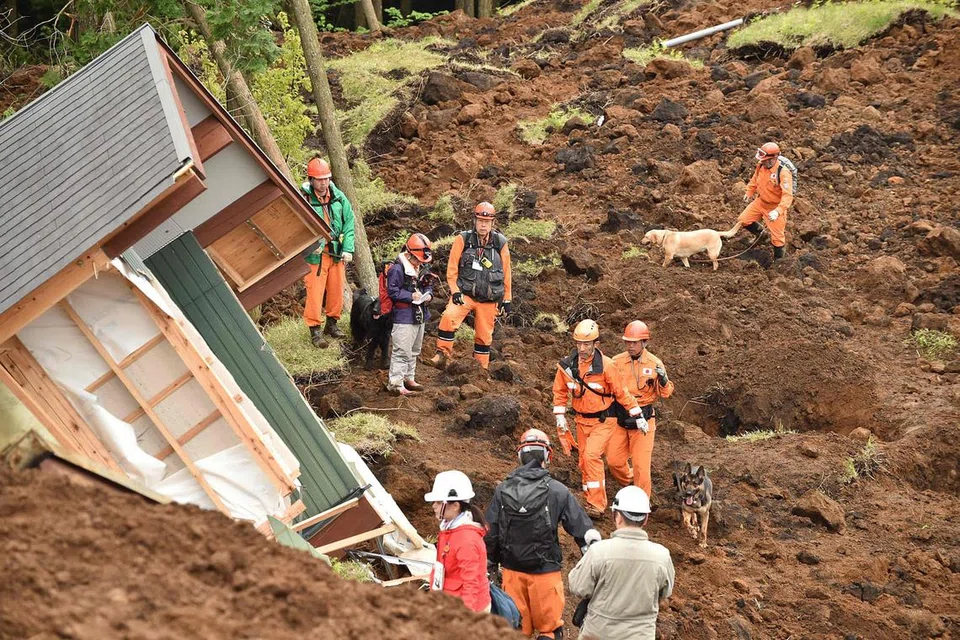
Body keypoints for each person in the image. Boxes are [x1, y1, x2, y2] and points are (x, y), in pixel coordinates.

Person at [485, 429, 602, 640]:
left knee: (515, 630)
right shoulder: (557, 490)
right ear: (547, 456)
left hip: (512, 574)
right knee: (550, 630)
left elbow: (491, 533)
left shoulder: (502, 490)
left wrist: (491, 563)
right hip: (545, 574)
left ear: (520, 455)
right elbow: (584, 532)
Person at [552, 319, 642, 517]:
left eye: (586, 344)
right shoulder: (567, 367)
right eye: (579, 344)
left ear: (596, 344)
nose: (582, 348)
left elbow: (621, 393)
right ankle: (590, 497)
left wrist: (637, 414)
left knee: (592, 456)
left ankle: (597, 505)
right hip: (581, 420)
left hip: (604, 420)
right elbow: (559, 393)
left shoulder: (607, 366)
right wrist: (560, 417)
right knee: (584, 461)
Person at [568, 486, 675, 640]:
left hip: (599, 633)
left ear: (617, 516)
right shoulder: (662, 556)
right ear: (645, 519)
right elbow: (664, 593)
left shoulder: (599, 552)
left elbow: (578, 587)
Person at [427, 202, 512, 370]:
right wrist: (455, 291)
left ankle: (481, 369)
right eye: (480, 221)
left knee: (484, 336)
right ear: (475, 220)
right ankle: (442, 355)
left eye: (486, 222)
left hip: (489, 297)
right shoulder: (463, 239)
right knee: (448, 317)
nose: (483, 224)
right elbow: (451, 269)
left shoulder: (500, 243)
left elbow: (506, 272)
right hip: (465, 293)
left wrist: (507, 299)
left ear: (492, 223)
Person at [606, 321, 675, 499]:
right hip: (621, 417)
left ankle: (642, 503)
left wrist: (664, 380)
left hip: (643, 421)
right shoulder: (616, 362)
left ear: (644, 342)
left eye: (634, 342)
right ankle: (629, 482)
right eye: (628, 342)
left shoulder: (654, 363)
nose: (630, 346)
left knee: (641, 467)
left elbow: (665, 394)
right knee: (614, 461)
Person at [301, 158, 355, 347]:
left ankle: (332, 324)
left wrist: (348, 248)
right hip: (316, 255)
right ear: (311, 180)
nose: (323, 183)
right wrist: (310, 244)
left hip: (336, 253)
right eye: (319, 179)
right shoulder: (304, 199)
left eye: (326, 179)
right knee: (315, 293)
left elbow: (349, 223)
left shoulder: (339, 197)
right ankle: (315, 331)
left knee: (336, 290)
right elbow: (298, 226)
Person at [424, 470, 492, 613]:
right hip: (450, 604)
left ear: (455, 506)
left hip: (466, 610)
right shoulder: (449, 530)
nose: (433, 506)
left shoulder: (466, 539)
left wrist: (466, 619)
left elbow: (471, 583)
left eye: (438, 502)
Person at [385, 233, 434, 396]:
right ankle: (395, 383)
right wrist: (410, 296)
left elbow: (428, 284)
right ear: (409, 253)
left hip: (420, 314)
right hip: (404, 315)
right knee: (401, 350)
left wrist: (428, 294)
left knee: (414, 349)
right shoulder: (397, 269)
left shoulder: (422, 266)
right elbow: (392, 292)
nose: (420, 263)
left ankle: (409, 377)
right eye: (417, 259)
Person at [737, 142, 794, 261]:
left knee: (777, 238)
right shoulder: (760, 166)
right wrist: (749, 192)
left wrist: (778, 211)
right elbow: (754, 179)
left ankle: (779, 261)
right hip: (760, 202)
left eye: (765, 160)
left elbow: (787, 196)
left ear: (773, 158)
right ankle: (761, 234)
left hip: (774, 207)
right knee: (743, 220)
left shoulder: (783, 173)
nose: (762, 162)